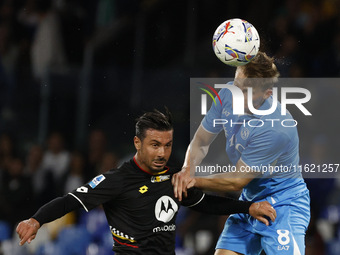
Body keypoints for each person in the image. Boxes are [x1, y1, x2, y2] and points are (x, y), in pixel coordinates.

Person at [17, 108, 276, 254]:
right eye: (154, 145)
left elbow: (204, 203)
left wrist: (248, 208)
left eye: (167, 145)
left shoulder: (174, 176)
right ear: (137, 143)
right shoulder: (116, 180)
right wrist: (36, 220)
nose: (162, 153)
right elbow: (69, 202)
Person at [172, 52, 311, 255]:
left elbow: (236, 180)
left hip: (283, 204)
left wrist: (194, 180)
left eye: (246, 91)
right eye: (237, 85)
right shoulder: (228, 94)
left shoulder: (276, 127)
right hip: (250, 201)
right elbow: (201, 141)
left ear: (267, 94)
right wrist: (186, 169)